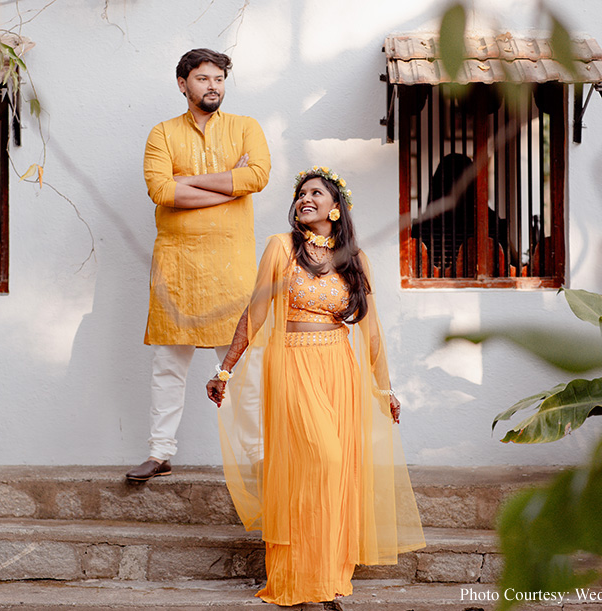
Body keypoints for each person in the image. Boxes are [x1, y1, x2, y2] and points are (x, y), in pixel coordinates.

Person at [207, 167, 425, 607]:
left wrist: (384, 390)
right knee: (317, 463)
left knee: (337, 476)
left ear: (336, 206)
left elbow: (372, 331)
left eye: (316, 192)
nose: (306, 198)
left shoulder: (354, 258)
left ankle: (325, 581)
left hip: (339, 367)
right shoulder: (281, 248)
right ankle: (298, 581)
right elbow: (255, 313)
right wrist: (225, 369)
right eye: (301, 193)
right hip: (292, 365)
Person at [127, 48, 271, 482]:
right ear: (183, 84)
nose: (213, 86)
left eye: (219, 79)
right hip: (178, 264)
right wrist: (230, 186)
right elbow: (161, 191)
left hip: (233, 264)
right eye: (204, 79)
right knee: (168, 364)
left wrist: (187, 181)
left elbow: (257, 177)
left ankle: (258, 456)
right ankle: (160, 452)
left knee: (242, 364)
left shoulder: (247, 128)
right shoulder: (163, 134)